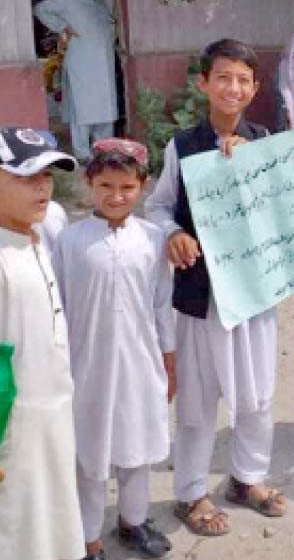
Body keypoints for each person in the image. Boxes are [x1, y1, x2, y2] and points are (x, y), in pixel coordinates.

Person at [145, 39, 287, 538]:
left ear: (255, 88)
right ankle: (190, 492)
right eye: (222, 77)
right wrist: (174, 234)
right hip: (199, 295)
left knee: (257, 395)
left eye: (243, 79)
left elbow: (282, 215)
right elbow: (158, 207)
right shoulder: (181, 146)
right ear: (204, 83)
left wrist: (254, 166)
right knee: (197, 401)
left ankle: (247, 479)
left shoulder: (267, 141)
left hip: (252, 292)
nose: (233, 88)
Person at [54, 138, 174, 560]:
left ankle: (132, 521)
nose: (116, 196)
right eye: (105, 186)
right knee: (88, 455)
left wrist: (169, 360)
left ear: (142, 186)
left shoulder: (154, 239)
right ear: (89, 184)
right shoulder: (69, 241)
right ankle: (88, 539)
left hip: (141, 363)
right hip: (85, 367)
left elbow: (162, 304)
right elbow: (59, 308)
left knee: (136, 448)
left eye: (126, 187)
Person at [0, 127, 84, 559]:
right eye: (26, 176)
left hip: (53, 417)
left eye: (48, 176)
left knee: (55, 523)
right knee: (19, 531)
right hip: (15, 431)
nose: (42, 187)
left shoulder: (35, 240)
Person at [34, 0, 117, 162]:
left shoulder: (101, 0)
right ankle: (82, 154)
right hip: (82, 63)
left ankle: (104, 151)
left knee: (105, 109)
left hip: (104, 64)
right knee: (83, 108)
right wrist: (63, 27)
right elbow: (40, 9)